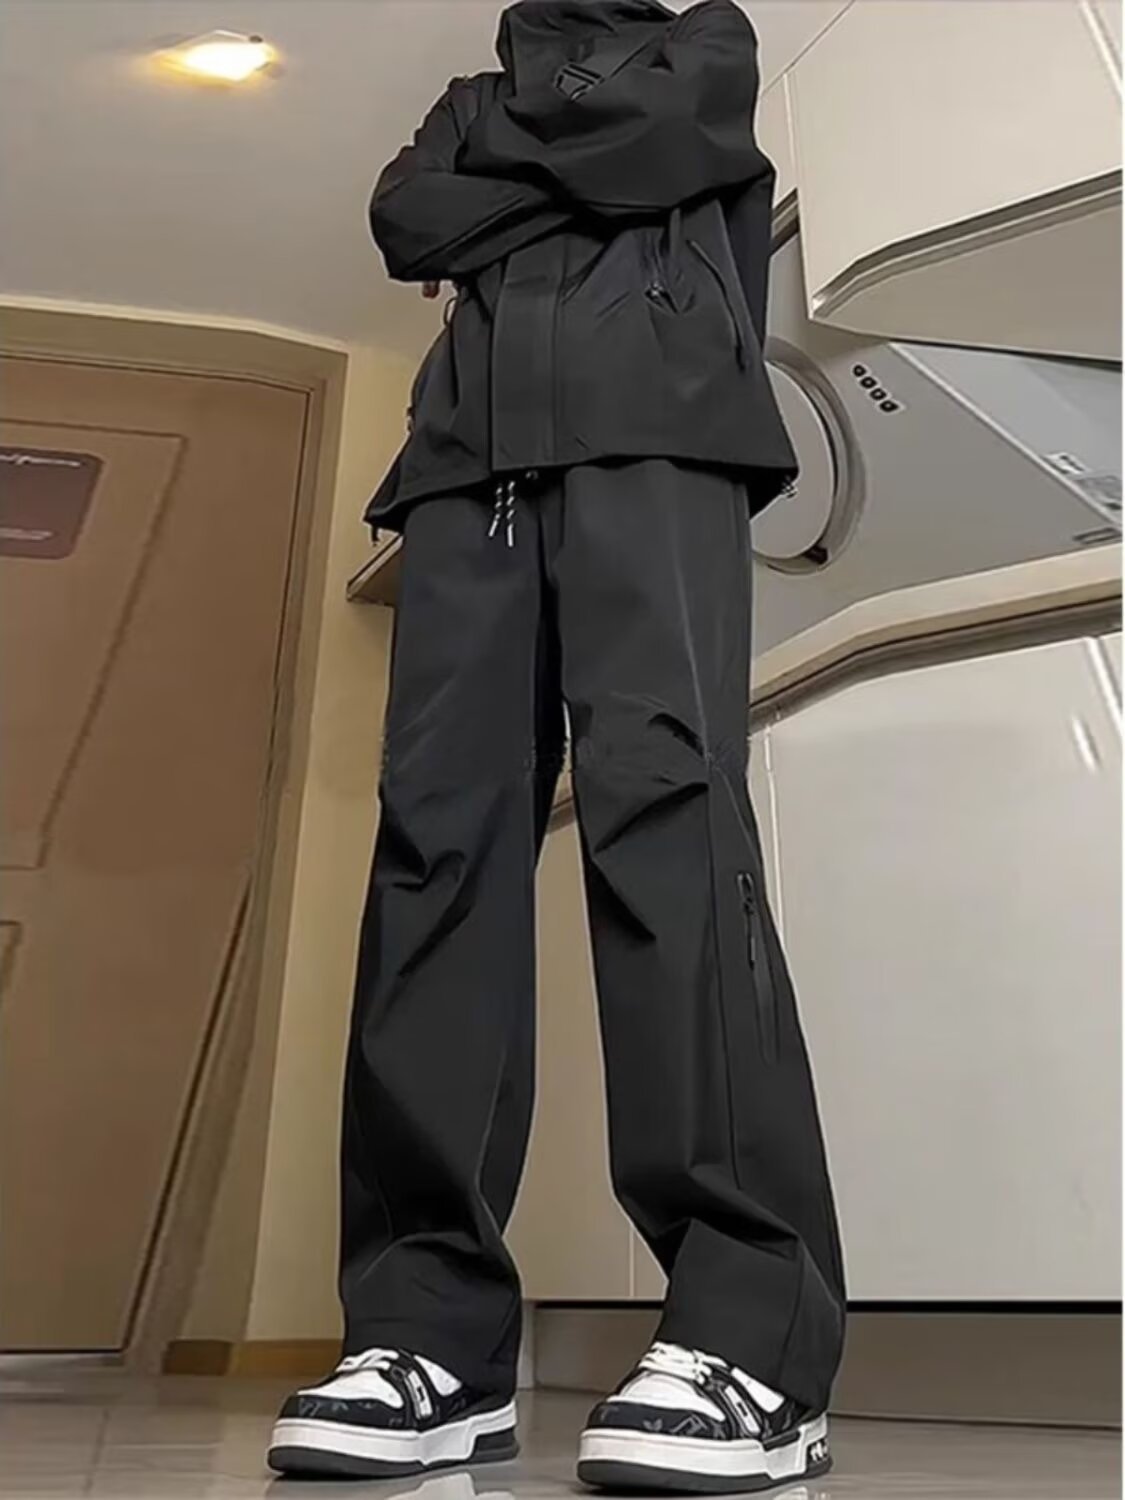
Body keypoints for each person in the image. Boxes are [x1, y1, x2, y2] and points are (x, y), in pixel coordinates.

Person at [267, 0, 845, 1490]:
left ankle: (751, 1339)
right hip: (468, 472)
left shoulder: (706, 43)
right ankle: (426, 1340)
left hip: (660, 434)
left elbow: (653, 143)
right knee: (433, 851)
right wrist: (575, 172)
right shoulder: (468, 95)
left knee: (666, 819)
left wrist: (510, 179)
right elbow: (410, 220)